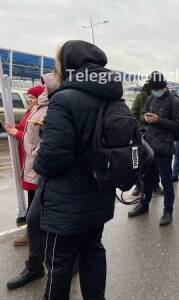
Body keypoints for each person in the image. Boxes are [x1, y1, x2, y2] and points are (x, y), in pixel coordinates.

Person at [31, 40, 121, 299]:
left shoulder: (64, 99)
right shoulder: (113, 98)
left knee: (59, 265)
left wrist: (39, 164)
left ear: (68, 63)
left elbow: (53, 156)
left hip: (66, 202)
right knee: (93, 252)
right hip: (100, 194)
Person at [6, 73, 60, 290]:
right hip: (41, 169)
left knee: (56, 223)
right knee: (36, 216)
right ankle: (36, 264)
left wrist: (35, 151)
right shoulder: (43, 107)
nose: (41, 89)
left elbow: (49, 140)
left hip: (52, 172)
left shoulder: (60, 105)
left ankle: (61, 264)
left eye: (45, 85)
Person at [128, 71, 179, 226]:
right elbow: (140, 117)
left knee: (166, 181)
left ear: (164, 87)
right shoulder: (150, 98)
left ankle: (168, 211)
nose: (155, 91)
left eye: (156, 89)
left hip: (164, 147)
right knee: (146, 178)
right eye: (152, 89)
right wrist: (144, 119)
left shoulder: (175, 101)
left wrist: (159, 120)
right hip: (149, 145)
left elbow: (178, 126)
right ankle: (144, 204)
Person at [4, 85, 44, 246]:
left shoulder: (42, 114)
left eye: (32, 99)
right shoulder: (31, 112)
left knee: (35, 198)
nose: (29, 102)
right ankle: (33, 229)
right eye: (28, 99)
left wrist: (17, 133)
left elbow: (34, 139)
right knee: (32, 196)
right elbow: (24, 129)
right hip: (27, 160)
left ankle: (32, 233)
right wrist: (13, 129)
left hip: (34, 160)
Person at [131, 84, 163, 196]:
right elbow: (133, 113)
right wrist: (139, 127)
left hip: (155, 135)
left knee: (155, 162)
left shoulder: (160, 98)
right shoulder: (141, 96)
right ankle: (138, 186)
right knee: (139, 162)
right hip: (141, 134)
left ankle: (156, 184)